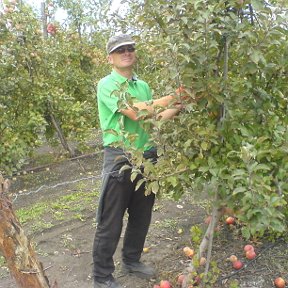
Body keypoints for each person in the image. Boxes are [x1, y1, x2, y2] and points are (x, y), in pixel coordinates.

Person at [93, 34, 183, 288]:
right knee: (111, 220)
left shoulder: (142, 86)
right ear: (110, 57)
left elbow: (153, 118)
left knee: (141, 216)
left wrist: (179, 104)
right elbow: (136, 111)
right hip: (120, 158)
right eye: (120, 50)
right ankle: (102, 277)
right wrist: (172, 96)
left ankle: (131, 260)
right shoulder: (107, 84)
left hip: (148, 157)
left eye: (130, 48)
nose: (126, 52)